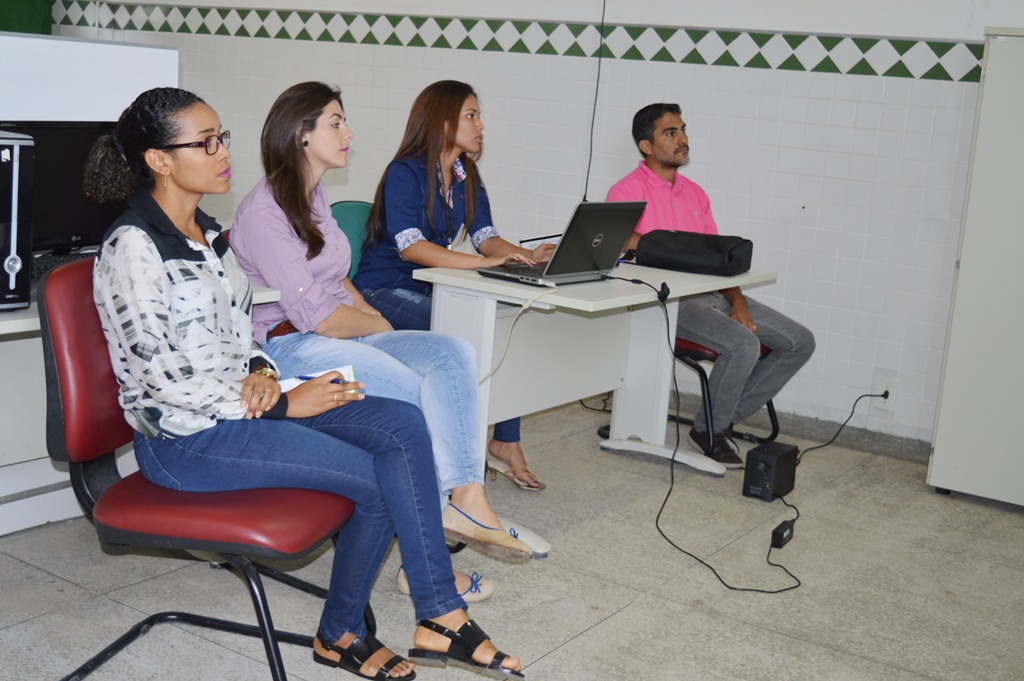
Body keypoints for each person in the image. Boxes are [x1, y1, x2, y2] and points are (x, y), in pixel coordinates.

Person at [84, 86, 524, 680]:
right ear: (159, 160)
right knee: (377, 479)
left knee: (400, 422)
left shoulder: (209, 235)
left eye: (222, 137)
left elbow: (243, 337)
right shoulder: (132, 248)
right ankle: (348, 631)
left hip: (243, 409)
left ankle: (435, 614)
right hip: (187, 440)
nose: (223, 151)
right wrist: (283, 404)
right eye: (206, 142)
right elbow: (160, 379)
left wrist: (265, 373)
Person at [230, 83, 531, 599]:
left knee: (451, 353)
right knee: (415, 397)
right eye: (336, 123)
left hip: (332, 331)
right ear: (301, 135)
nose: (349, 132)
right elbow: (317, 317)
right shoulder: (265, 211)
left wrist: (374, 320)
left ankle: (467, 497)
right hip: (290, 348)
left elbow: (336, 279)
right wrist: (381, 329)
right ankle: (427, 564)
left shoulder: (312, 194)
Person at [354, 80, 555, 491]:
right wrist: (483, 263)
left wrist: (526, 256)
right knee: (474, 337)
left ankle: (505, 441)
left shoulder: (466, 173)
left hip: (431, 288)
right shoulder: (404, 172)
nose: (481, 125)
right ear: (443, 122)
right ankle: (463, 458)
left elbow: (486, 237)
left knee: (499, 329)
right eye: (471, 115)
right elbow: (411, 247)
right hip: (382, 290)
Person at [606, 103, 815, 468]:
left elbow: (721, 260)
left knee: (799, 341)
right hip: (669, 304)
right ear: (646, 146)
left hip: (714, 295)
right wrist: (665, 246)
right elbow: (622, 244)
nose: (682, 138)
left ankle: (718, 419)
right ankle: (710, 430)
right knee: (744, 344)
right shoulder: (625, 193)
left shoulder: (695, 193)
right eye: (670, 133)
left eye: (683, 130)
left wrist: (738, 302)